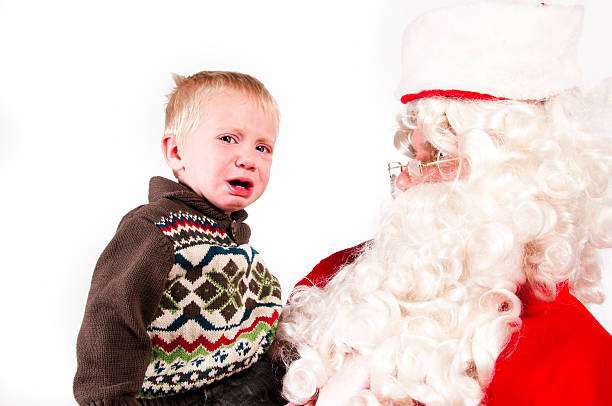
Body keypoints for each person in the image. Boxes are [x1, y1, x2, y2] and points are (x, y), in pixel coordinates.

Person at [275, 1, 612, 405]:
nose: (404, 181)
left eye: (434, 157)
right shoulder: (335, 279)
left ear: (514, 180)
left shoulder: (577, 362)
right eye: (411, 157)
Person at [74, 71, 285, 405]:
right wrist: (108, 397)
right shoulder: (156, 229)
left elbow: (266, 309)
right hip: (180, 395)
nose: (248, 159)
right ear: (176, 153)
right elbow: (113, 314)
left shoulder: (233, 241)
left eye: (262, 147)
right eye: (228, 139)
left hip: (242, 381)